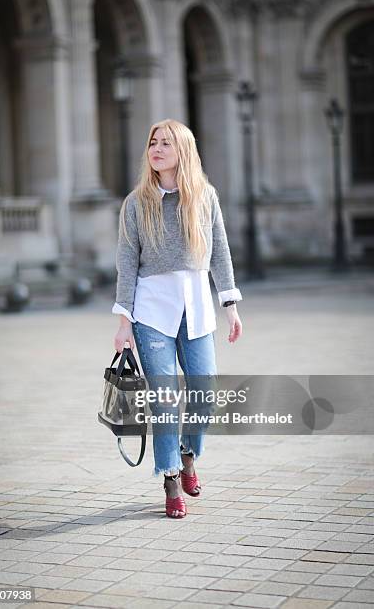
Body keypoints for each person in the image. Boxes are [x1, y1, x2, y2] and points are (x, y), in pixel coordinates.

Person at [112, 119, 243, 519]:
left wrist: (231, 304)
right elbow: (126, 264)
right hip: (152, 312)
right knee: (165, 401)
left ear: (182, 151)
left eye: (166, 143)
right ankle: (170, 478)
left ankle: (189, 454)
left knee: (204, 394)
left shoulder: (205, 197)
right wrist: (123, 321)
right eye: (153, 142)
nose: (157, 148)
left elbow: (219, 250)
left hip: (198, 309)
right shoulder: (137, 203)